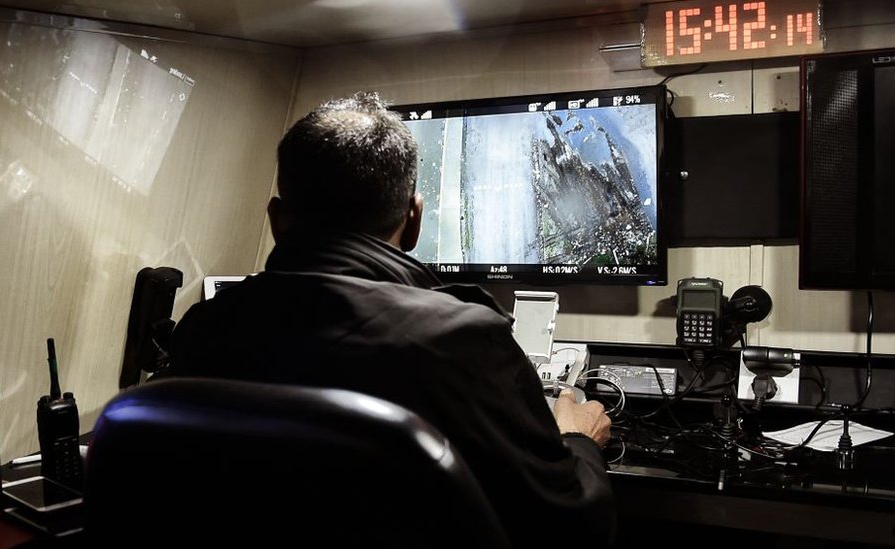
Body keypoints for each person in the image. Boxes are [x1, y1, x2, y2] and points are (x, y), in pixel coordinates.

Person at [166, 91, 615, 547]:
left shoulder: (203, 327)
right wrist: (578, 440)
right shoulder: (461, 339)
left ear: (277, 220)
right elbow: (571, 527)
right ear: (414, 219)